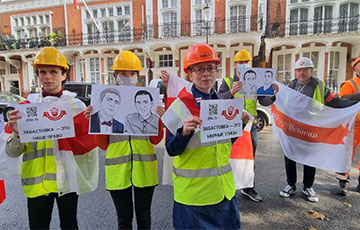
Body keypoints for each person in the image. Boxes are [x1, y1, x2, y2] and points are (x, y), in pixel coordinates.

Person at [5, 47, 99, 229]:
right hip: (37, 183)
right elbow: (12, 152)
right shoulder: (25, 108)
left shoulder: (77, 107)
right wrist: (16, 132)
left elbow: (88, 145)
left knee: (70, 225)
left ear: (64, 75)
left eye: (53, 71)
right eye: (43, 72)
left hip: (67, 179)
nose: (47, 76)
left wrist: (91, 124)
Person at [166, 43, 249, 229]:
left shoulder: (224, 104)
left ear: (217, 72)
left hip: (223, 192)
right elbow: (171, 149)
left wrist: (240, 125)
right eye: (199, 69)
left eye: (211, 68)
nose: (206, 74)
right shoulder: (180, 106)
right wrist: (183, 133)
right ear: (190, 74)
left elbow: (224, 142)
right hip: (194, 198)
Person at [85, 50, 164, 229]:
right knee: (124, 219)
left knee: (144, 217)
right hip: (117, 171)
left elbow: (156, 140)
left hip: (144, 170)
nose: (128, 77)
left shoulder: (146, 101)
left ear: (138, 75)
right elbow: (103, 145)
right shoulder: (107, 102)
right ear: (115, 76)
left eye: (132, 73)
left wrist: (158, 118)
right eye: (123, 73)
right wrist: (95, 120)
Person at [279, 57, 358, 202]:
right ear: (295, 72)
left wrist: (354, 104)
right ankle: (290, 184)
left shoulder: (319, 86)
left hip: (311, 128)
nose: (301, 73)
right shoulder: (291, 85)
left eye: (305, 70)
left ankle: (308, 187)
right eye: (299, 70)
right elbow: (282, 102)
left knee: (310, 159)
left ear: (311, 70)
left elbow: (334, 101)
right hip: (292, 129)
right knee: (290, 156)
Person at [218, 49, 279, 202]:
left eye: (246, 62)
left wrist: (272, 95)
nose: (243, 65)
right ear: (235, 65)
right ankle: (226, 186)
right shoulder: (227, 82)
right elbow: (218, 100)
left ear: (250, 63)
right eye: (240, 62)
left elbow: (263, 101)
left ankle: (248, 188)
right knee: (227, 156)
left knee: (249, 158)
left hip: (250, 125)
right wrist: (231, 92)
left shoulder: (255, 81)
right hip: (231, 125)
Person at [336, 56, 360, 195]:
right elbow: (343, 99)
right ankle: (343, 183)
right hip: (353, 125)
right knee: (346, 155)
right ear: (355, 67)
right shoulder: (350, 84)